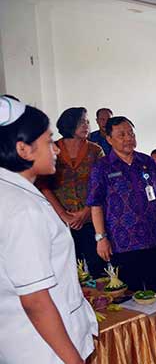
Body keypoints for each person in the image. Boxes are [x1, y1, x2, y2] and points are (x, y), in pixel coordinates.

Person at [0, 96, 97, 364]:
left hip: (27, 344)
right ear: (23, 150)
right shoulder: (23, 209)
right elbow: (35, 301)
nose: (56, 148)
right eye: (48, 141)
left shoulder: (11, 192)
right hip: (49, 357)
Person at [87, 116, 156, 297]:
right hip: (122, 243)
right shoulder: (101, 168)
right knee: (130, 294)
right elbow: (96, 205)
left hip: (154, 238)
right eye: (122, 135)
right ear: (109, 139)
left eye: (131, 133)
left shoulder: (146, 162)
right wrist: (101, 238)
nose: (129, 138)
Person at [37, 107, 106, 275]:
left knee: (99, 268)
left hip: (92, 220)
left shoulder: (95, 151)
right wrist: (63, 214)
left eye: (88, 122)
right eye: (82, 121)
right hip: (60, 220)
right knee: (68, 270)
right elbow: (42, 185)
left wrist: (85, 212)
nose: (87, 125)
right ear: (69, 124)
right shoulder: (53, 149)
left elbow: (102, 185)